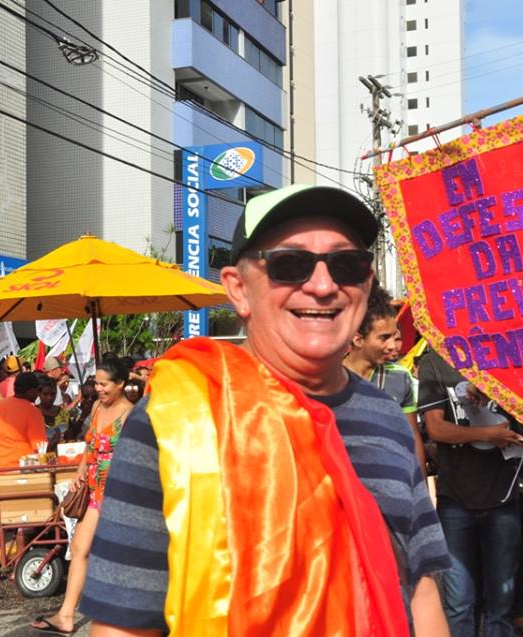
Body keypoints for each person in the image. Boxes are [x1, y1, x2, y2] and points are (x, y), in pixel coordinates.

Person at [79, 184, 450, 635]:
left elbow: (421, 589)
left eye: (346, 265)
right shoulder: (180, 420)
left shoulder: (387, 417)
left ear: (366, 283)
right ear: (238, 289)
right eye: (289, 264)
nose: (322, 286)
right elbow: (122, 624)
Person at [418, 345, 523, 637]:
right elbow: (436, 429)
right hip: (455, 499)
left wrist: (496, 395)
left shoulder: (507, 354)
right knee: (459, 604)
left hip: (503, 497)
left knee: (500, 604)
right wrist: (488, 434)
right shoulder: (435, 362)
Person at [30, 355, 133, 635]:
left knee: (117, 554)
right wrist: (80, 471)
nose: (98, 389)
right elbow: (90, 446)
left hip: (118, 493)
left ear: (121, 384)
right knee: (79, 548)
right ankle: (66, 615)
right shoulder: (98, 407)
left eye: (104, 384)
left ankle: (124, 616)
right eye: (96, 383)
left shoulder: (130, 414)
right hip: (95, 490)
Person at [344, 283, 427, 476]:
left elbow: (412, 438)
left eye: (395, 337)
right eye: (384, 338)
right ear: (358, 339)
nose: (392, 346)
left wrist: (420, 486)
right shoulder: (325, 380)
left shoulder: (400, 378)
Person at [0, 372, 46, 557]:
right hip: (20, 476)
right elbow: (39, 446)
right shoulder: (32, 411)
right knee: (23, 524)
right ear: (31, 390)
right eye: (38, 390)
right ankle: (19, 564)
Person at [37, 375, 70, 447]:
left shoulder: (63, 413)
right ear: (39, 393)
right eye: (45, 394)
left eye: (53, 394)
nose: (49, 398)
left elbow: (69, 438)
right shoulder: (33, 413)